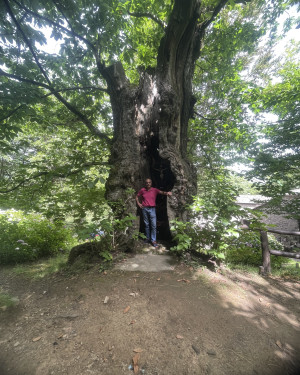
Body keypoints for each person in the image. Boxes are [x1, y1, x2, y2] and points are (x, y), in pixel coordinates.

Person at [136, 178, 172, 247]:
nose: (148, 184)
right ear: (145, 183)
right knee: (146, 224)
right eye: (147, 182)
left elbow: (161, 192)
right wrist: (139, 204)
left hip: (152, 209)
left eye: (149, 182)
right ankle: (148, 238)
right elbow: (137, 196)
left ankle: (153, 240)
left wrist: (167, 193)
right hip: (145, 209)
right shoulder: (142, 190)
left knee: (153, 225)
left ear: (151, 183)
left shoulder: (154, 190)